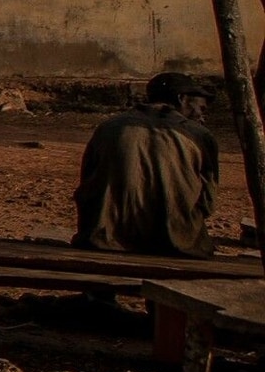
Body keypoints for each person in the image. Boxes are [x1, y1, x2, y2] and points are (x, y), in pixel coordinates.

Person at [73, 72, 221, 257]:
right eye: (201, 109)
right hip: (177, 245)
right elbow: (208, 203)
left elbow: (87, 184)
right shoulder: (199, 135)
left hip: (105, 240)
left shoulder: (109, 127)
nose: (201, 116)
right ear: (181, 99)